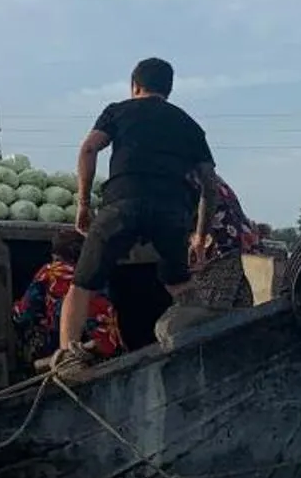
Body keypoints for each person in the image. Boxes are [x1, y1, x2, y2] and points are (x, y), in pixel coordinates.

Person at [57, 57, 215, 369]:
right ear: (168, 90)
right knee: (179, 284)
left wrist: (84, 205)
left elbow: (89, 148)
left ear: (134, 86)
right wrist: (199, 236)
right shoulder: (188, 124)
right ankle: (201, 343)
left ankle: (67, 357)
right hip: (171, 211)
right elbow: (209, 184)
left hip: (121, 205)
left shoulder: (118, 111)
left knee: (83, 283)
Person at [15, 228, 121, 364]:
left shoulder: (51, 272)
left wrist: (14, 311)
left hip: (71, 344)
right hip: (110, 342)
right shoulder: (96, 273)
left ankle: (41, 365)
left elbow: (24, 313)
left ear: (55, 255)